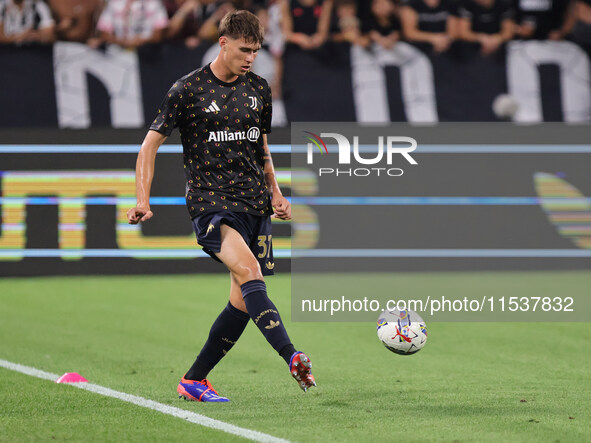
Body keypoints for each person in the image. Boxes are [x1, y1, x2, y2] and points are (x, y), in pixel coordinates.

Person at [127, 9, 315, 402]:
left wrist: (276, 192)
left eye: (256, 52)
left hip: (254, 205)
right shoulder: (187, 90)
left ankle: (194, 379)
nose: (250, 58)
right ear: (223, 42)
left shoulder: (259, 89)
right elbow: (149, 145)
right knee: (250, 273)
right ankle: (292, 356)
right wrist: (142, 199)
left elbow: (261, 148)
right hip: (211, 204)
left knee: (242, 299)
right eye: (244, 50)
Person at [88, 0, 168, 49]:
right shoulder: (114, 2)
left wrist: (141, 41)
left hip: (148, 56)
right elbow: (104, 32)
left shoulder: (155, 2)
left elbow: (159, 35)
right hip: (119, 54)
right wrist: (123, 42)